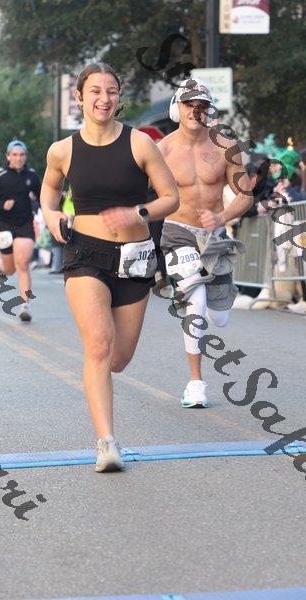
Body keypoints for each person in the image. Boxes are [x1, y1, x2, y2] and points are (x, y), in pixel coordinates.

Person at [41, 63, 179, 472]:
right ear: (79, 97)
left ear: (119, 97)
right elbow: (49, 191)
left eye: (112, 91)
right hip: (85, 254)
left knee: (118, 359)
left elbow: (170, 197)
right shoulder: (62, 150)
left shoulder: (140, 143)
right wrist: (51, 215)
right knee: (99, 345)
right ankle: (107, 443)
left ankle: (105, 421)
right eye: (95, 91)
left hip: (135, 258)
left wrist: (138, 212)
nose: (104, 99)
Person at [158, 78, 253, 408]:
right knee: (195, 299)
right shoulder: (162, 150)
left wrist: (222, 216)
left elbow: (245, 195)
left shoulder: (227, 147)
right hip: (177, 231)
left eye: (202, 106)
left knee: (220, 316)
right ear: (177, 108)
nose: (195, 111)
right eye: (189, 104)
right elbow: (139, 192)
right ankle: (196, 383)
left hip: (215, 237)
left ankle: (213, 291)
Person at [0, 140, 41, 322]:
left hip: (25, 225)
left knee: (22, 264)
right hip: (3, 225)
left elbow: (42, 198)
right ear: (8, 156)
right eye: (14, 155)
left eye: (21, 155)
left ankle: (25, 306)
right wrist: (2, 205)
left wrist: (40, 210)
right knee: (9, 270)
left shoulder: (32, 176)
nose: (18, 158)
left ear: (26, 157)